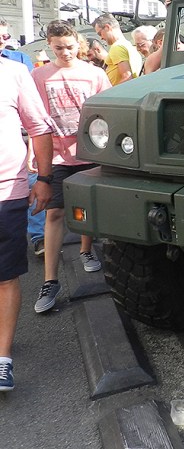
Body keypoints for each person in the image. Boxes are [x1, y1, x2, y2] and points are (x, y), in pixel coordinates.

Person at [30, 21, 112, 314]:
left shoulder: (94, 73)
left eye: (69, 47)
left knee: (87, 207)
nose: (65, 52)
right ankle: (50, 280)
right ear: (50, 46)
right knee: (54, 213)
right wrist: (33, 153)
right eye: (58, 48)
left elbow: (107, 109)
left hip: (89, 151)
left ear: (78, 43)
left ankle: (86, 250)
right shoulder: (39, 75)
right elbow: (34, 120)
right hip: (55, 155)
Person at [0, 53, 54, 391]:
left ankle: (2, 359)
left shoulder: (15, 72)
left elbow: (39, 127)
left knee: (5, 276)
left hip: (6, 190)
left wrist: (45, 179)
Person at [1, 19, 46, 256]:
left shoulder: (17, 65)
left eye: (5, 36)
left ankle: (39, 236)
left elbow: (36, 122)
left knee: (30, 182)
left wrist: (44, 177)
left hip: (11, 170)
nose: (2, 41)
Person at [93, 13, 143, 85]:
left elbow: (127, 77)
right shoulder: (130, 47)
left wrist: (109, 91)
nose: (101, 38)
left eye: (100, 33)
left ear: (107, 27)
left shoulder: (117, 47)